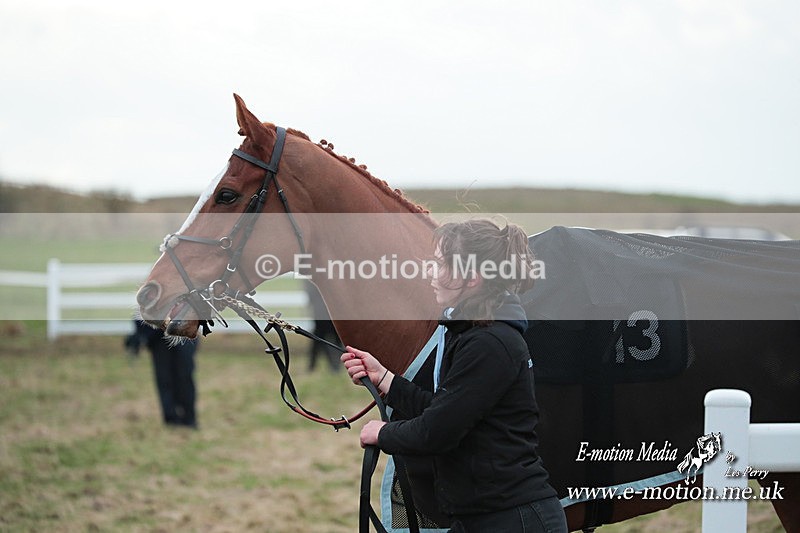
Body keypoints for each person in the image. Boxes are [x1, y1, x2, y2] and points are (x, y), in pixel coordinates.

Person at [342, 219, 567, 533]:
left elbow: (437, 432)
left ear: (472, 278)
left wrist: (382, 434)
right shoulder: (472, 334)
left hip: (512, 520)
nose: (431, 274)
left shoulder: (489, 344)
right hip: (486, 517)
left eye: (440, 265)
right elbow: (446, 408)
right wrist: (387, 380)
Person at [125, 320, 199, 428]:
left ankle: (189, 418)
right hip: (158, 335)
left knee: (185, 375)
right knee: (164, 378)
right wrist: (141, 333)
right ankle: (171, 419)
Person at [304, 279, 341, 372]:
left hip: (330, 306)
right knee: (321, 335)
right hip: (321, 306)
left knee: (323, 335)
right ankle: (333, 365)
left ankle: (333, 365)